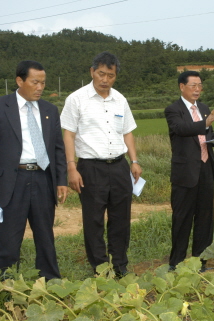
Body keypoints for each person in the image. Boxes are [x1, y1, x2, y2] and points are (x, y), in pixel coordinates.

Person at [0, 60, 68, 280]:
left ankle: (50, 281)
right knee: (8, 237)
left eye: (43, 83)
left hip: (42, 178)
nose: (40, 87)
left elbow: (58, 148)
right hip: (10, 181)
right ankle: (6, 285)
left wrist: (61, 180)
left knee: (45, 235)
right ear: (20, 81)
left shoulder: (49, 110)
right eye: (35, 82)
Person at [61, 51, 142, 278]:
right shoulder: (76, 99)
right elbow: (68, 135)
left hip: (119, 166)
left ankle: (120, 266)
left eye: (111, 75)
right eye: (101, 74)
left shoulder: (120, 100)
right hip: (90, 168)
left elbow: (127, 133)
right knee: (94, 220)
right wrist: (71, 167)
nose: (105, 79)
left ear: (116, 76)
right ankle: (100, 268)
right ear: (92, 72)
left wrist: (134, 161)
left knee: (121, 220)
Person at [165, 71, 214, 272]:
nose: (197, 89)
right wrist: (205, 123)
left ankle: (200, 262)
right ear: (181, 87)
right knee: (182, 218)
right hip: (185, 173)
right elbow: (183, 129)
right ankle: (175, 264)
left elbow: (206, 135)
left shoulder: (203, 108)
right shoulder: (173, 110)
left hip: (205, 169)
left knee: (205, 218)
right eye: (193, 85)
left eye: (200, 85)